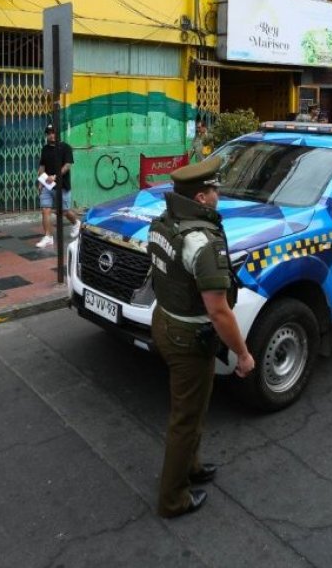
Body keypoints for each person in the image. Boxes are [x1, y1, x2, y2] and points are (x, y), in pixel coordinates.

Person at [146, 155, 255, 518]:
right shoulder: (202, 242)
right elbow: (219, 310)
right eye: (213, 190)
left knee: (194, 406)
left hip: (165, 322)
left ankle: (191, 466)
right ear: (202, 199)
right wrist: (242, 354)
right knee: (186, 417)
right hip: (188, 336)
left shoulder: (164, 223)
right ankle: (172, 499)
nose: (217, 195)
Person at [36, 125, 79, 249]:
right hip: (47, 185)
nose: (51, 135)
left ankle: (76, 223)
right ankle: (48, 237)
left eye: (53, 132)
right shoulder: (45, 149)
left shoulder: (65, 147)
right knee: (45, 210)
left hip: (62, 185)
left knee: (64, 211)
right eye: (49, 133)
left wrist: (55, 176)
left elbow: (67, 165)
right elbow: (42, 166)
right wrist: (40, 181)